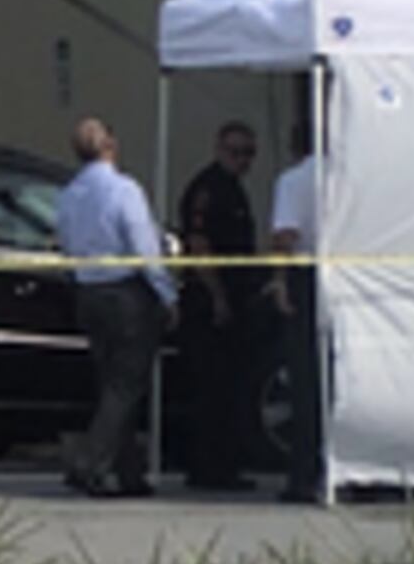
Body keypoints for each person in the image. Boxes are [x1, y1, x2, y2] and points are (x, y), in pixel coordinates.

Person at [57, 116, 177, 498]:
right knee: (126, 385)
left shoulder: (69, 194)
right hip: (126, 293)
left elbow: (65, 244)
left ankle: (128, 472)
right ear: (111, 144)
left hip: (89, 292)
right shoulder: (124, 189)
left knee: (110, 385)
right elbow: (144, 245)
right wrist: (167, 292)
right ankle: (91, 462)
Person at [172, 120, 267, 492]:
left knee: (228, 388)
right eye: (236, 151)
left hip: (234, 298)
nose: (243, 160)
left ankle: (222, 465)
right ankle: (209, 468)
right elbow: (199, 246)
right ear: (218, 149)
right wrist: (217, 297)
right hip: (210, 303)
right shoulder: (207, 190)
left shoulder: (234, 190)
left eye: (249, 153)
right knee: (213, 388)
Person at [266, 106, 324, 503]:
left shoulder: (292, 180)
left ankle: (302, 474)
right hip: (346, 276)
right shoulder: (344, 176)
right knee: (337, 376)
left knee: (304, 378)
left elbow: (286, 234)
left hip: (306, 274)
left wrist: (279, 281)